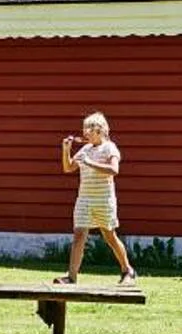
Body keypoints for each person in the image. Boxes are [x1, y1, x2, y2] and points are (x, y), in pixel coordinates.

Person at [57, 112, 136, 285]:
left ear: (100, 130)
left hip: (104, 200)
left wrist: (90, 163)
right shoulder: (85, 150)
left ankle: (127, 270)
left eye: (89, 129)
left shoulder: (110, 148)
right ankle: (71, 277)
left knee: (110, 236)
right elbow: (68, 168)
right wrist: (66, 150)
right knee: (79, 235)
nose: (85, 132)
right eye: (85, 128)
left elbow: (114, 170)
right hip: (84, 199)